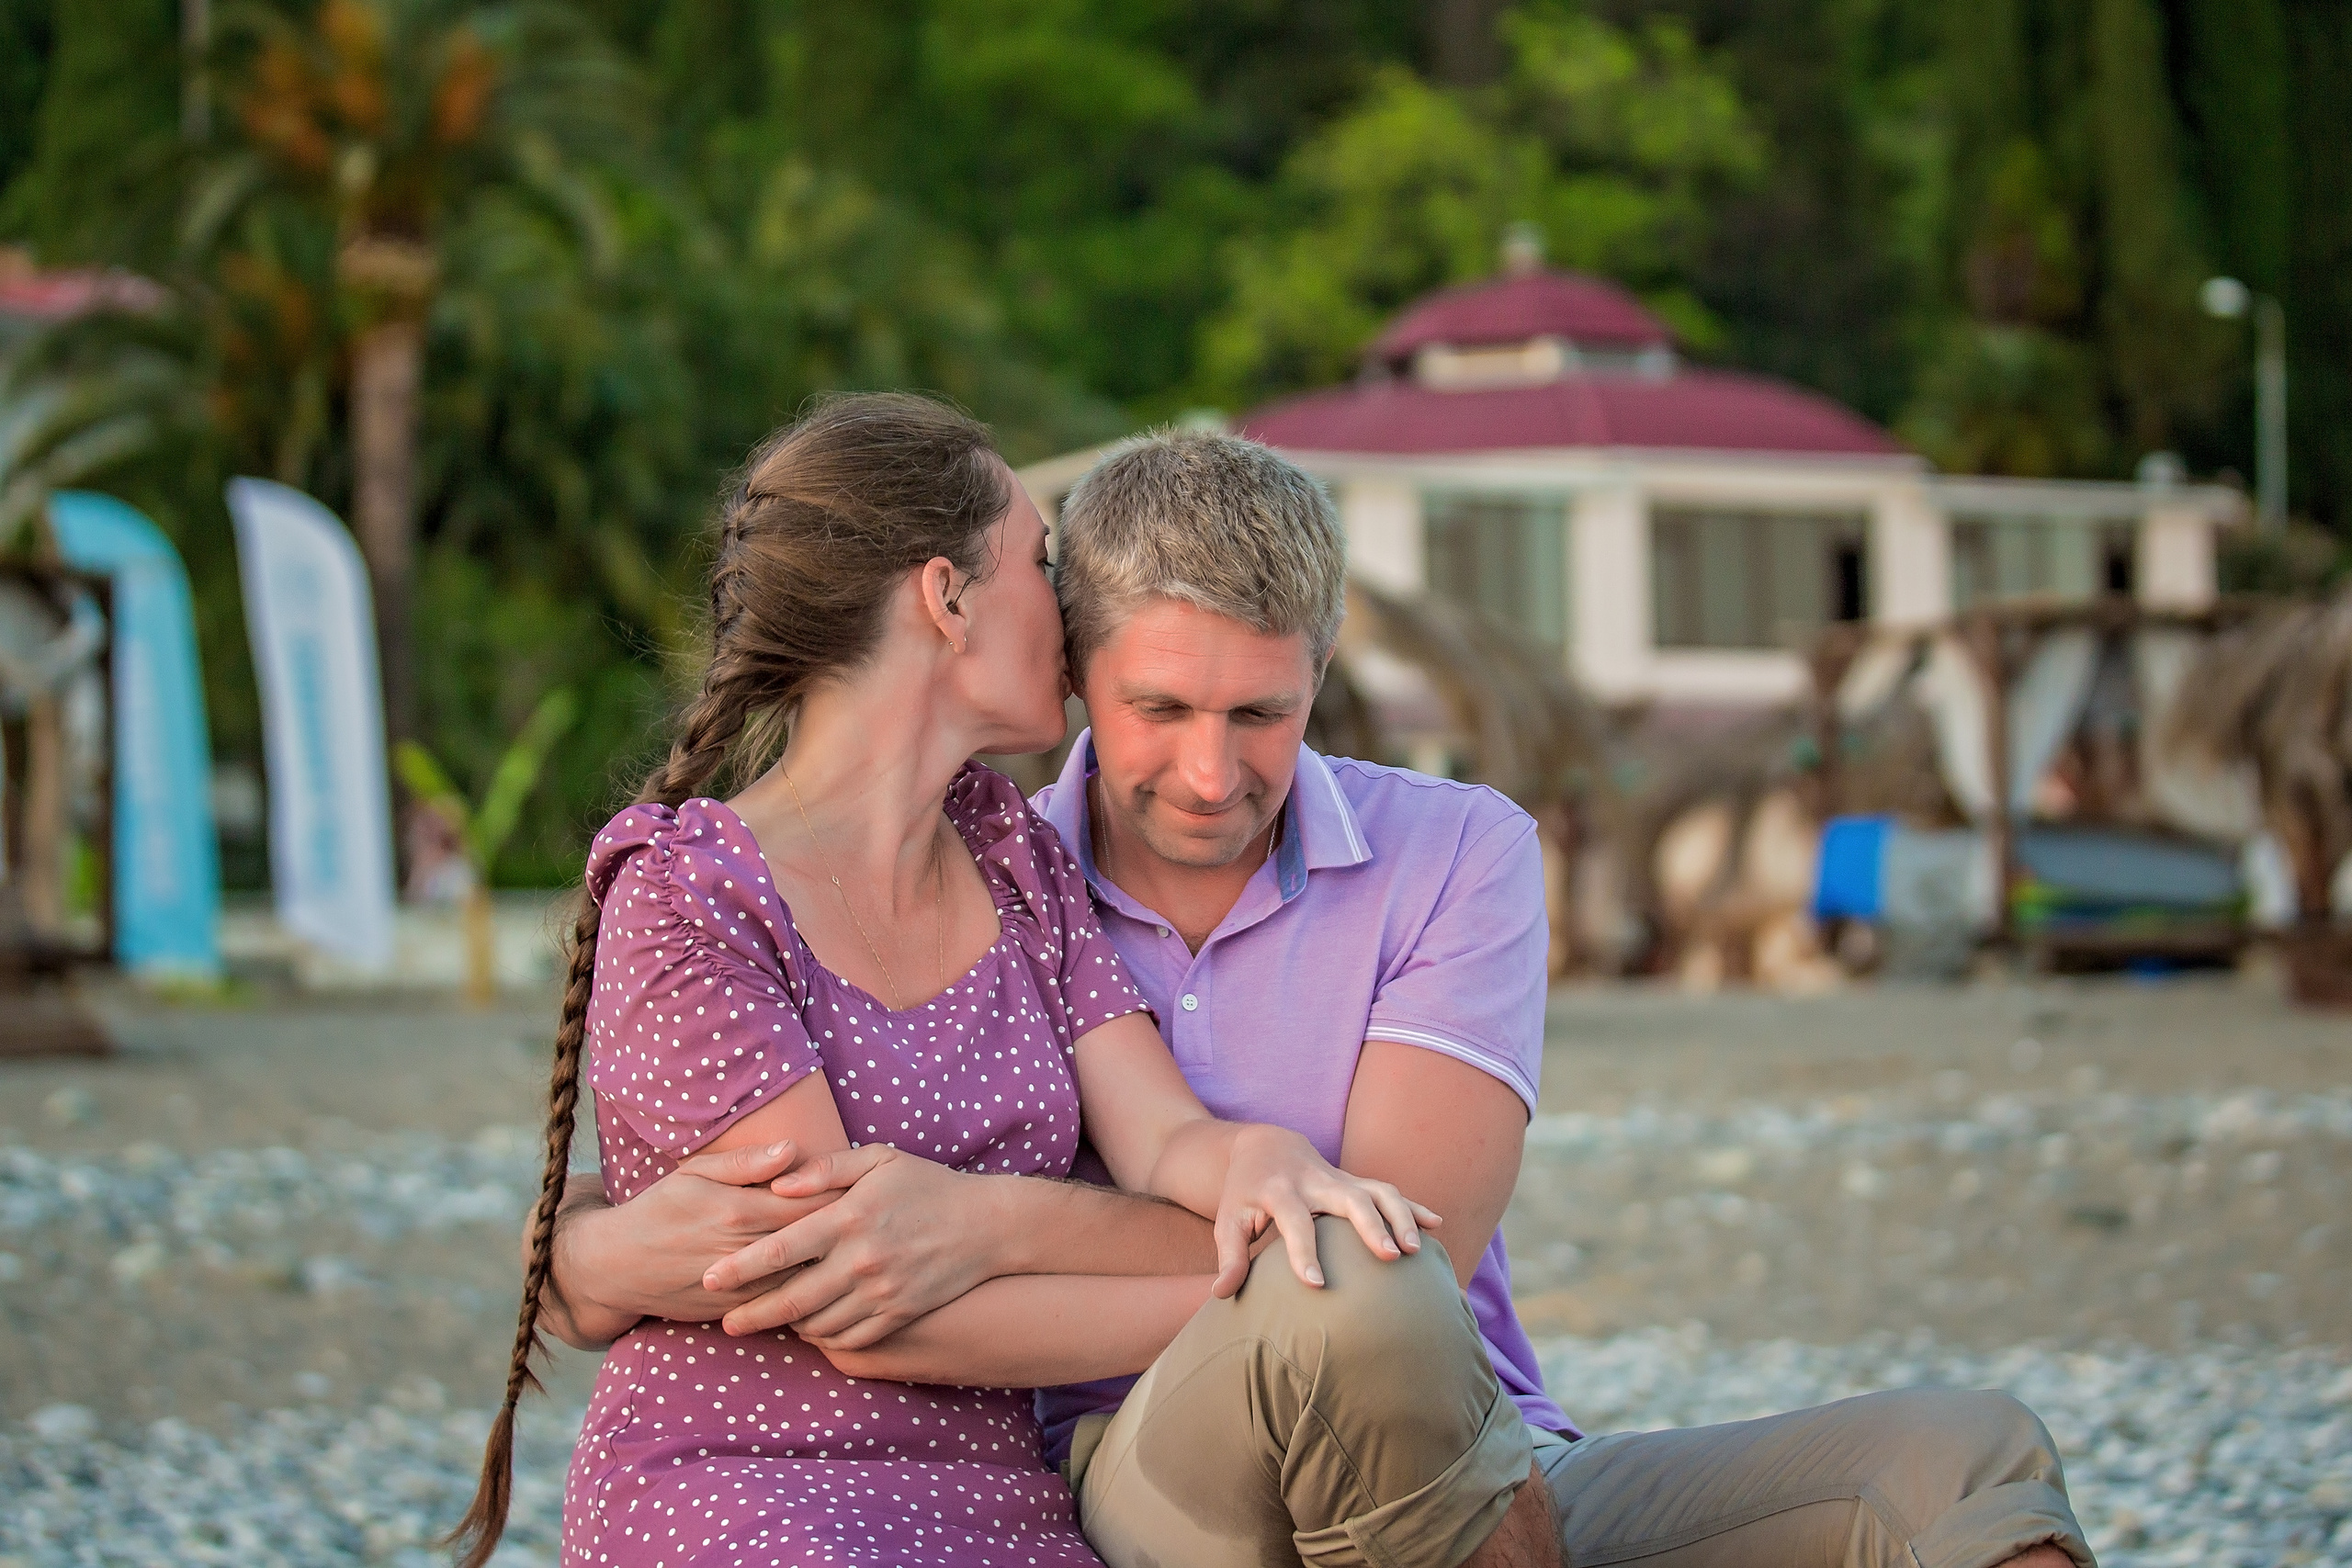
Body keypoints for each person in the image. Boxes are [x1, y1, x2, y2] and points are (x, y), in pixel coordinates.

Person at [540, 426, 2098, 1568]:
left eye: (1262, 712)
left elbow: (1405, 1252)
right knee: (1352, 1292)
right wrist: (584, 1252)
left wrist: (977, 1215)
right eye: (1158, 708)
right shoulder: (1000, 860)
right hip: (1144, 1473)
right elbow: (766, 1208)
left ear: (1324, 672)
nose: (1210, 773)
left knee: (1969, 1462)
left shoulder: (1453, 852)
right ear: (1072, 663)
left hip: (1474, 1468)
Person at [449, 394, 1454, 1568]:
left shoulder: (1011, 855)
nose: (1070, 609)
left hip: (1000, 1499)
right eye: (1039, 559)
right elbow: (865, 1301)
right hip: (744, 1490)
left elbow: (1167, 1139)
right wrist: (1290, 1315)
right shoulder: (694, 895)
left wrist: (1258, 1169)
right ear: (946, 595)